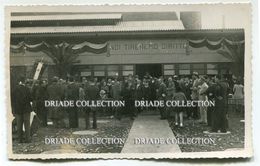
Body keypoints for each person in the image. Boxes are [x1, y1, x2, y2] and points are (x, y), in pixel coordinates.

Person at [12, 77, 33, 143]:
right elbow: (31, 98)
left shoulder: (14, 89)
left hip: (18, 109)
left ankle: (20, 139)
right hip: (26, 109)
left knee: (19, 124)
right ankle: (27, 139)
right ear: (24, 81)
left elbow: (12, 100)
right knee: (27, 125)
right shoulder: (27, 89)